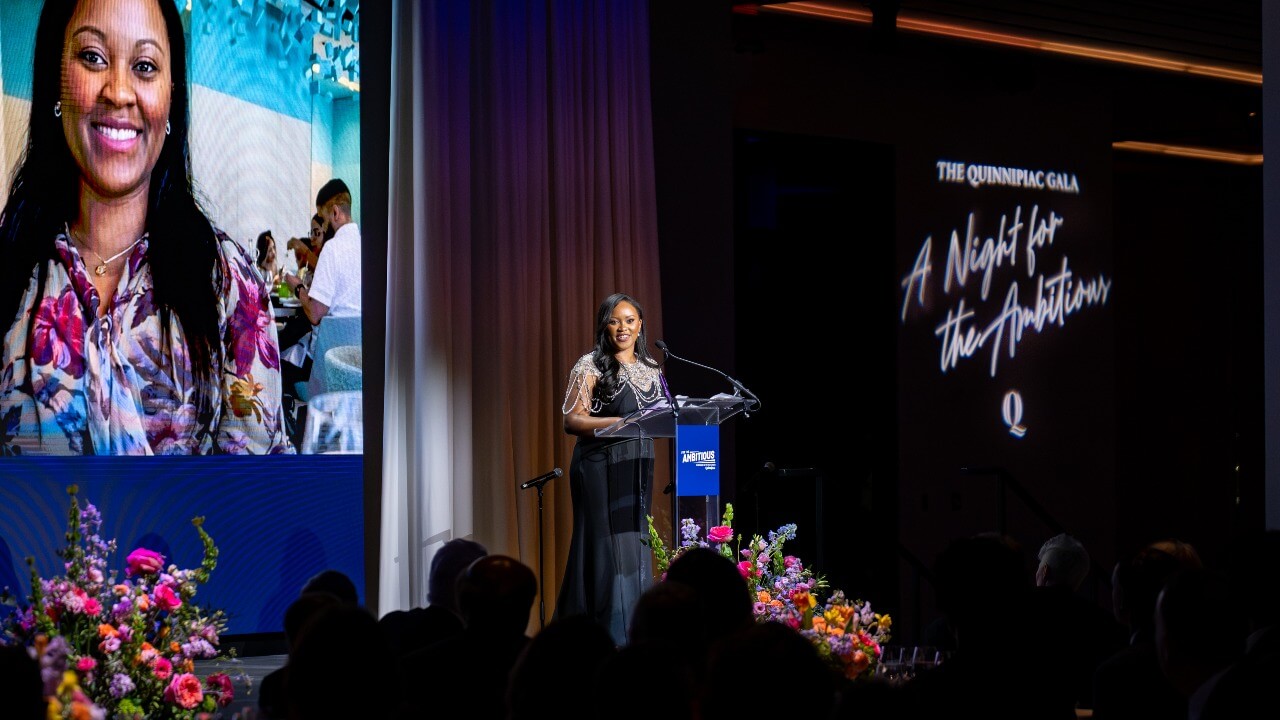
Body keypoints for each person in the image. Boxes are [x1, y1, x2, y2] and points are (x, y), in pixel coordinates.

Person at [0, 0, 290, 455]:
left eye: (145, 65)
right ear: (55, 80)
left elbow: (260, 505)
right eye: (93, 57)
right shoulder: (9, 271)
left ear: (172, 97)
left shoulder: (228, 284)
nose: (118, 91)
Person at [553, 292, 665, 646]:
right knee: (604, 547)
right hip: (599, 466)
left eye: (630, 320)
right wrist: (623, 422)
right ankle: (600, 635)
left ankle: (637, 630)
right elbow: (572, 420)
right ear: (605, 324)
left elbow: (663, 418)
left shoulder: (652, 369)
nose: (623, 328)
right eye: (616, 320)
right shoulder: (590, 365)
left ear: (640, 325)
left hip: (637, 465)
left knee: (634, 543)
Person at [283, 179, 360, 326]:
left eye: (323, 220)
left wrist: (297, 287)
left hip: (331, 346)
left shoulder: (332, 248)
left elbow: (315, 313)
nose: (324, 229)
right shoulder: (367, 247)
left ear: (335, 212)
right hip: (360, 345)